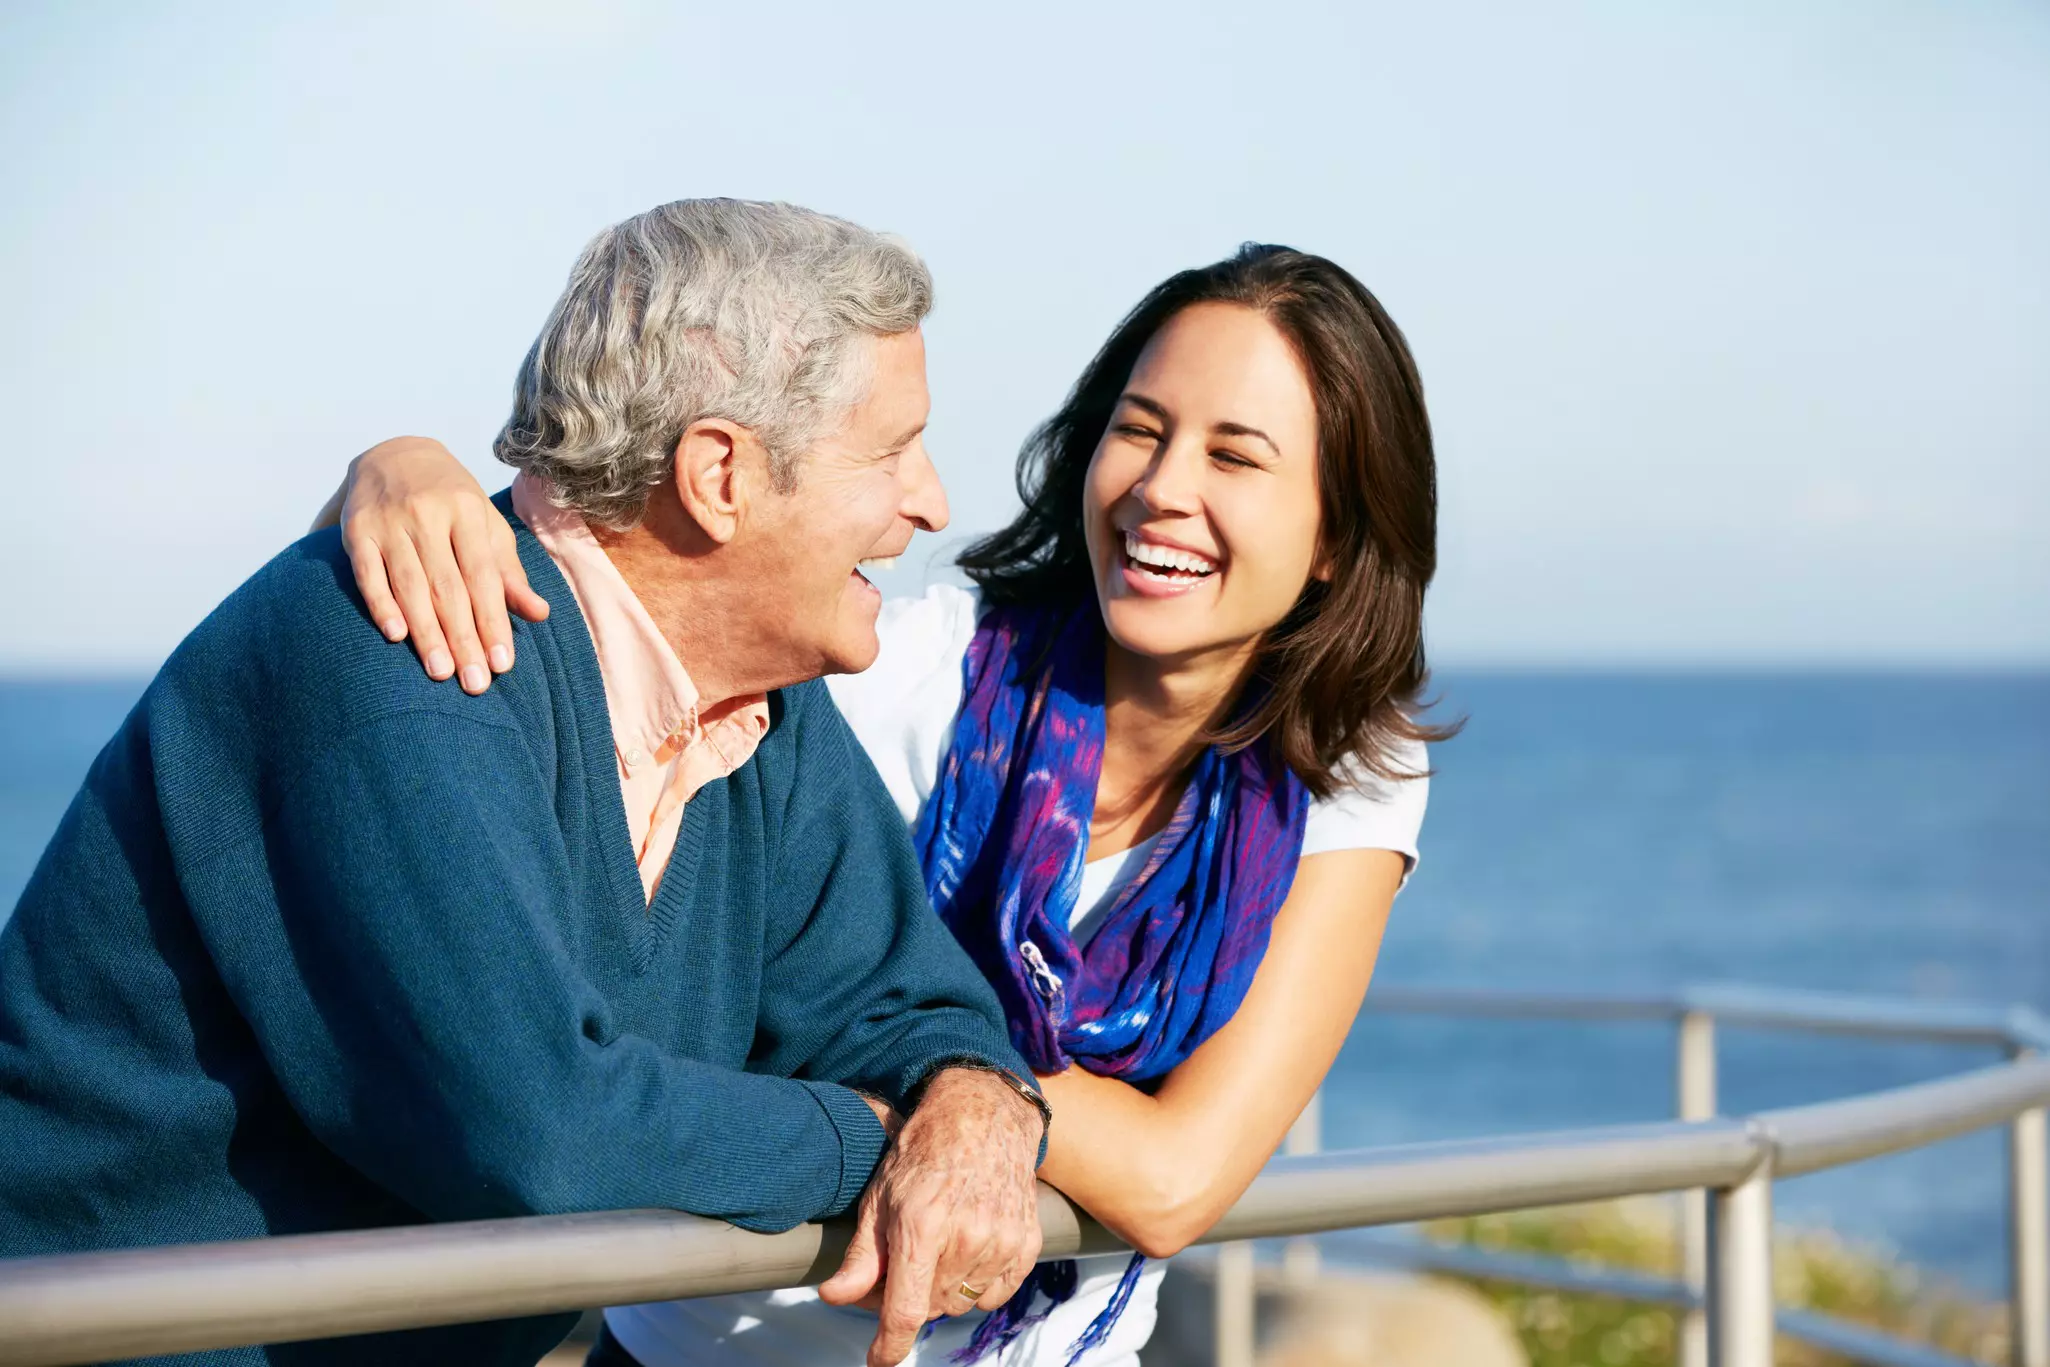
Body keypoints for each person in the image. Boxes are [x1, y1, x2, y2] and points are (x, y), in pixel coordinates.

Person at [335, 242, 1450, 1367]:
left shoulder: (1352, 774)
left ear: (1336, 539)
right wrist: (402, 467)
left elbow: (1175, 1180)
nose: (1164, 488)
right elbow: (610, 638)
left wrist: (940, 1076)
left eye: (1236, 456)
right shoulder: (903, 669)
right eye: (1141, 428)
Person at [0, 199, 1052, 1367]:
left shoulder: (767, 712)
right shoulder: (406, 654)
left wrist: (970, 1107)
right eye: (892, 448)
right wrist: (870, 1137)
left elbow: (908, 1001)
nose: (933, 501)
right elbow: (541, 1134)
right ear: (719, 474)